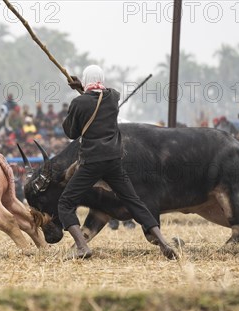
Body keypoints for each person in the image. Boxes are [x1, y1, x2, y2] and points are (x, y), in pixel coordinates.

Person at [58, 65, 178, 260]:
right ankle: (163, 242)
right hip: (114, 160)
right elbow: (97, 97)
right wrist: (82, 88)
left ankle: (82, 246)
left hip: (91, 162)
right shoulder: (113, 97)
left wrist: (78, 95)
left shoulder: (78, 103)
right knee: (134, 202)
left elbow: (71, 132)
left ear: (86, 80)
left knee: (65, 203)